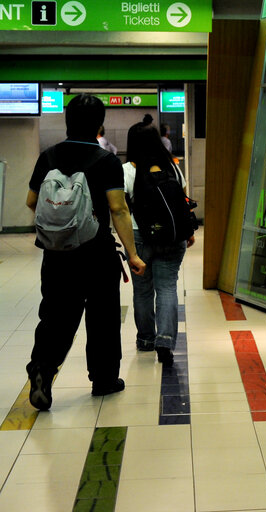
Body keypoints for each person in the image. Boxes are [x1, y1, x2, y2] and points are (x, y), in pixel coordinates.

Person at [25, 94, 146, 410]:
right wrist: (132, 254)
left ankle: (42, 369)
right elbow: (118, 209)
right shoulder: (106, 161)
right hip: (96, 253)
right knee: (102, 316)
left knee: (55, 315)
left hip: (55, 255)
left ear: (67, 121)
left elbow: (30, 201)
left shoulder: (47, 157)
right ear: (100, 124)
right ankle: (104, 379)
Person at [123, 122, 194, 367]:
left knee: (143, 290)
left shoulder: (127, 171)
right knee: (167, 288)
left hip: (139, 236)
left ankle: (146, 339)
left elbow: (119, 208)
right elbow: (182, 200)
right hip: (172, 237)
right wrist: (188, 231)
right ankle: (165, 341)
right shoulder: (172, 168)